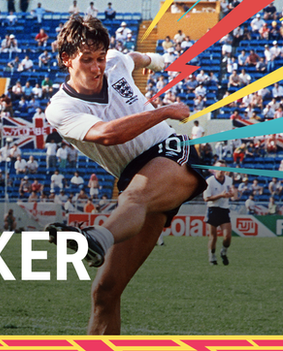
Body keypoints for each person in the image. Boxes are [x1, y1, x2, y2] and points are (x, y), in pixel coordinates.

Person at [44, 16, 207, 335]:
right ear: (66, 59)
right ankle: (98, 241)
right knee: (105, 292)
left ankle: (96, 240)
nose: (96, 67)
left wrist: (158, 62)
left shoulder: (116, 62)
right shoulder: (61, 109)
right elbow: (107, 135)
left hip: (173, 151)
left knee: (133, 196)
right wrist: (162, 110)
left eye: (100, 58)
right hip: (139, 180)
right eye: (87, 60)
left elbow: (136, 58)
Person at [203, 160, 236, 266]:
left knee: (227, 237)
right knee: (213, 237)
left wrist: (231, 194)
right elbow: (206, 198)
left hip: (224, 209)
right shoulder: (209, 181)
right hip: (213, 210)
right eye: (219, 168)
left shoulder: (229, 180)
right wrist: (221, 195)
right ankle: (212, 256)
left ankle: (223, 252)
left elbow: (231, 193)